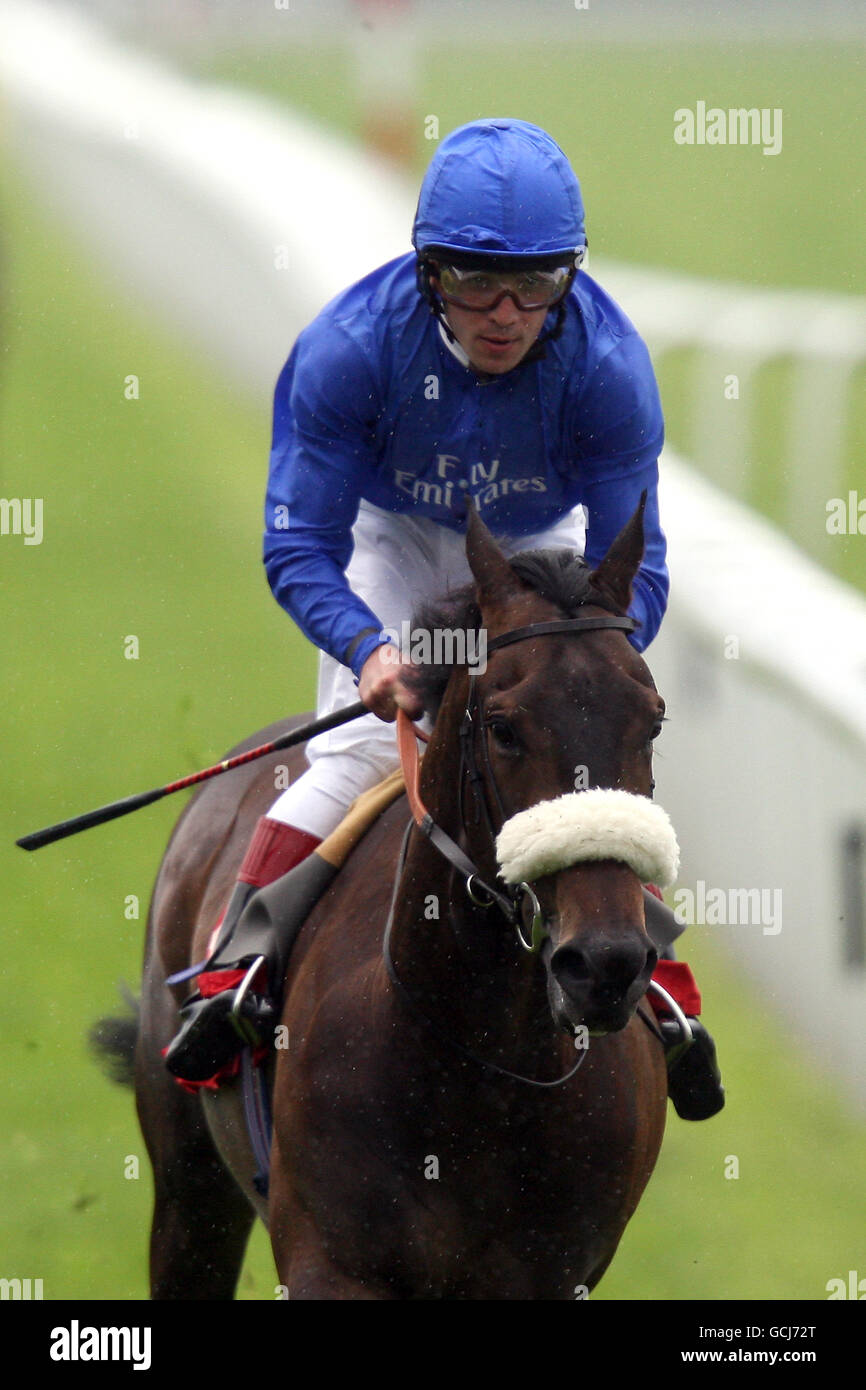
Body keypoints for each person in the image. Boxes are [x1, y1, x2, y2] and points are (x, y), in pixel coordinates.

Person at [165, 118, 723, 1118]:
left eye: (538, 285)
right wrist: (367, 651)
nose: (506, 314)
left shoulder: (605, 364)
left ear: (568, 278)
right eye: (475, 283)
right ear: (428, 272)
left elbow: (638, 556)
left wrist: (595, 651)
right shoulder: (347, 349)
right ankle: (236, 966)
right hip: (390, 535)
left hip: (531, 550)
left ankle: (660, 984)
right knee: (361, 758)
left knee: (576, 755)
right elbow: (298, 543)